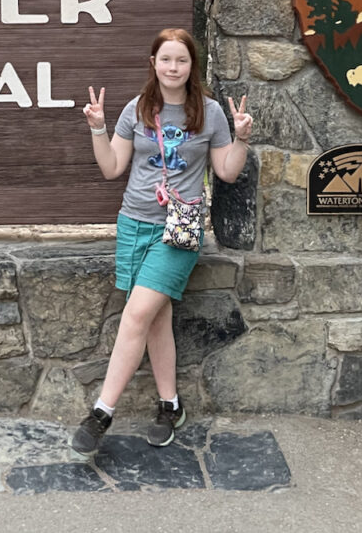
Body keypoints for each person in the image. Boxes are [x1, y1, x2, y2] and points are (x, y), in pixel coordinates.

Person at [70, 27, 253, 455]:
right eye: (165, 59)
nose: (173, 67)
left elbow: (226, 171)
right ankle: (170, 405)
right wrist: (98, 128)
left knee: (135, 316)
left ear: (193, 66)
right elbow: (112, 167)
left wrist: (241, 137)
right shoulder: (137, 109)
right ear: (153, 63)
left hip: (178, 230)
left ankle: (101, 413)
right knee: (155, 317)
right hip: (134, 223)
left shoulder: (208, 113)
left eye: (182, 60)